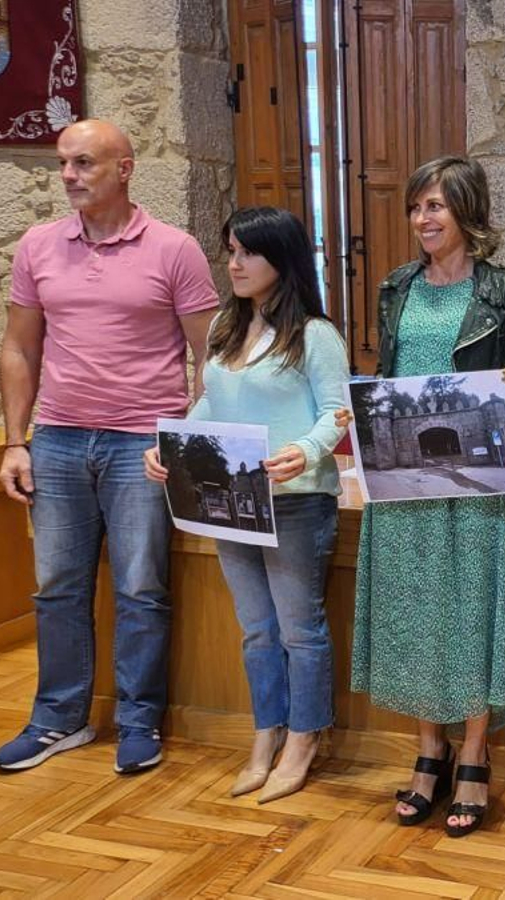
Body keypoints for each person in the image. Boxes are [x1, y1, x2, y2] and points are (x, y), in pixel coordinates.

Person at [0, 119, 219, 774]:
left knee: (142, 587)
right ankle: (57, 720)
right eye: (63, 164)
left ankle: (138, 721)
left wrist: (187, 440)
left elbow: (210, 355)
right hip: (57, 440)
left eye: (84, 163)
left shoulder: (175, 249)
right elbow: (19, 347)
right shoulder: (37, 246)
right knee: (56, 586)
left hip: (140, 444)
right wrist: (15, 441)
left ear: (124, 169)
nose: (69, 175)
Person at [349, 155, 505, 838]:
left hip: (472, 478)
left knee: (469, 606)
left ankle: (473, 751)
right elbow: (393, 373)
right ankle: (427, 747)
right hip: (404, 478)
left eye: (435, 205)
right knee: (415, 609)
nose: (423, 219)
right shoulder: (396, 286)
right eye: (416, 207)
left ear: (467, 210)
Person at [142, 207, 347, 804]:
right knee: (257, 631)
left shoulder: (314, 334)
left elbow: (336, 414)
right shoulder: (226, 331)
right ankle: (266, 734)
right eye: (228, 250)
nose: (232, 263)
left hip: (295, 503)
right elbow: (212, 407)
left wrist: (304, 451)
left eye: (246, 252)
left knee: (298, 631)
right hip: (230, 500)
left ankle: (304, 740)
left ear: (280, 259)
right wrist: (171, 446)